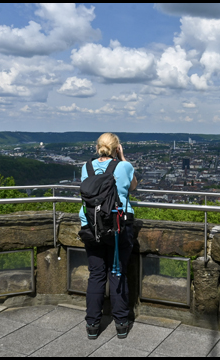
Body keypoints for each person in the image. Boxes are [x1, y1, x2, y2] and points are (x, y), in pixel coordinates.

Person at [79, 132, 137, 340]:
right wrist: (123, 159)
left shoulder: (86, 167)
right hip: (117, 226)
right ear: (116, 148)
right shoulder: (124, 166)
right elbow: (133, 187)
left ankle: (92, 324)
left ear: (97, 148)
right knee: (117, 272)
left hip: (91, 226)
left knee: (96, 275)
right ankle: (121, 323)